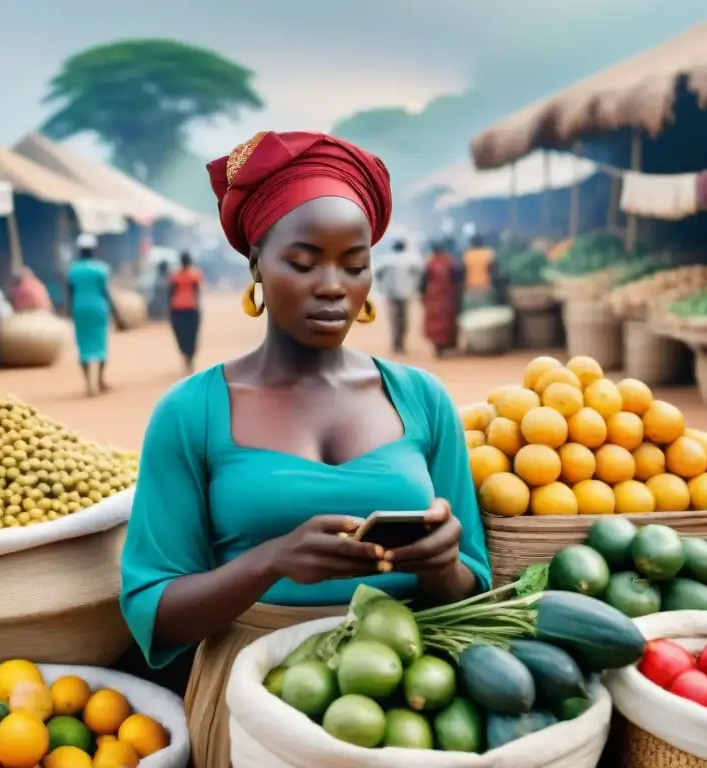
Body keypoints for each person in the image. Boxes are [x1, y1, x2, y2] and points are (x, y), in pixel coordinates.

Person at [119, 130, 491, 768]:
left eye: (354, 263)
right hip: (254, 705)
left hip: (408, 709)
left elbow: (474, 592)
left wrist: (440, 562)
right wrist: (270, 562)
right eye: (304, 260)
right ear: (258, 261)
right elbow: (154, 612)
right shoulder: (192, 413)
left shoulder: (421, 399)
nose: (333, 287)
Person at [66, 233, 123, 396]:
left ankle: (87, 383)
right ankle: (99, 380)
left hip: (80, 308)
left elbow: (69, 292)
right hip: (98, 308)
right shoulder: (101, 269)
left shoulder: (73, 270)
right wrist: (116, 313)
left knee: (83, 344)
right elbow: (106, 292)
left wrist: (69, 311)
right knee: (100, 344)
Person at [375, 238, 423, 354]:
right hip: (406, 293)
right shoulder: (412, 260)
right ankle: (401, 343)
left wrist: (382, 286)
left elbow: (377, 274)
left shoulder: (386, 260)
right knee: (404, 319)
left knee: (393, 319)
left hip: (391, 293)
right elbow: (419, 274)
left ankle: (396, 343)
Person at [420, 239, 464, 357]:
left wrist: (422, 294)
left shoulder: (430, 263)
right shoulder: (451, 262)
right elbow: (458, 277)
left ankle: (438, 346)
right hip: (448, 295)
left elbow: (423, 282)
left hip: (434, 296)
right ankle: (447, 345)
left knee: (435, 321)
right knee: (448, 320)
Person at [168, 251, 204, 374]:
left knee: (181, 335)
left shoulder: (175, 276)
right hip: (191, 309)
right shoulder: (195, 275)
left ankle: (186, 356)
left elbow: (170, 293)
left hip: (178, 309)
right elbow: (197, 293)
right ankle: (189, 357)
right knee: (192, 335)